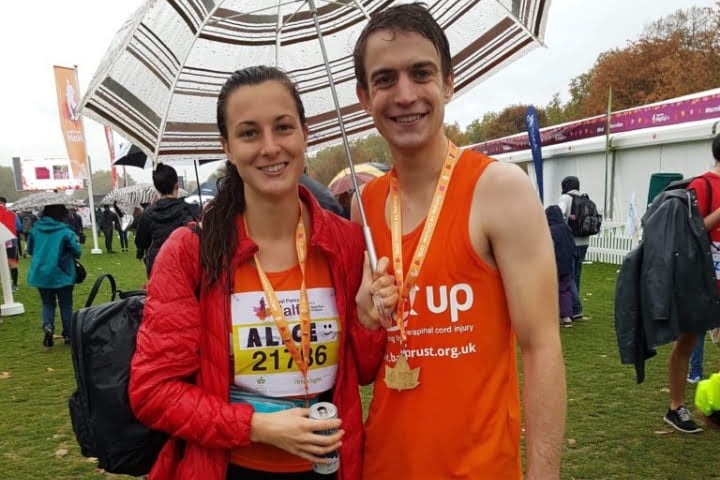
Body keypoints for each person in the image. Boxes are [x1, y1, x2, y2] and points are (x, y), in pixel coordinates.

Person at [128, 66, 395, 480]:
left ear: (304, 134)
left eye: (283, 127)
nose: (270, 147)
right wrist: (256, 426)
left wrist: (366, 320)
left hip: (330, 468)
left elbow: (360, 372)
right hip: (230, 468)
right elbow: (153, 392)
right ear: (228, 148)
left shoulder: (345, 242)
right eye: (249, 133)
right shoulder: (190, 251)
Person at [350, 4, 566, 479]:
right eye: (385, 79)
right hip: (384, 464)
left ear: (448, 82)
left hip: (480, 468)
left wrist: (544, 474)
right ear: (364, 97)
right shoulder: (364, 205)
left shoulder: (499, 190)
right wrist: (365, 317)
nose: (405, 95)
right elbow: (368, 349)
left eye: (421, 73)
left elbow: (541, 346)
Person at [663, 133, 720, 433]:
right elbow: (691, 232)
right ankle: (676, 407)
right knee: (687, 342)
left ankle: (716, 408)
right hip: (701, 281)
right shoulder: (703, 185)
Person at [26, 204, 81, 347]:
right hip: (63, 273)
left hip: (41, 274)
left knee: (47, 303)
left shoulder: (35, 230)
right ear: (62, 215)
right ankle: (68, 334)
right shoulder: (65, 232)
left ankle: (48, 325)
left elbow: (30, 250)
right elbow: (77, 252)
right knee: (66, 305)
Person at [134, 163, 200, 276]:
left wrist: (140, 253)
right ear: (177, 185)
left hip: (157, 265)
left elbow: (141, 241)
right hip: (184, 264)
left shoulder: (148, 213)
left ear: (157, 187)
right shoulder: (189, 208)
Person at [558, 176, 590, 320]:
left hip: (570, 242)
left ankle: (576, 309)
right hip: (584, 242)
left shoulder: (565, 198)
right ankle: (573, 307)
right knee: (576, 275)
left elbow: (559, 214)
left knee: (568, 275)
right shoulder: (585, 199)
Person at [546, 205, 576, 328]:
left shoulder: (551, 231)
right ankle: (567, 317)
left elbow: (550, 248)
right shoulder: (567, 228)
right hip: (567, 264)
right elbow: (572, 244)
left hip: (554, 265)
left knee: (550, 291)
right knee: (565, 290)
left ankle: (550, 317)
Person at [0, 197, 22, 292]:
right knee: (11, 262)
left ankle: (14, 284)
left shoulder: (12, 215)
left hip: (9, 241)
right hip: (10, 241)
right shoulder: (13, 214)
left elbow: (19, 227)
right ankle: (13, 284)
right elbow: (19, 228)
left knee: (11, 262)